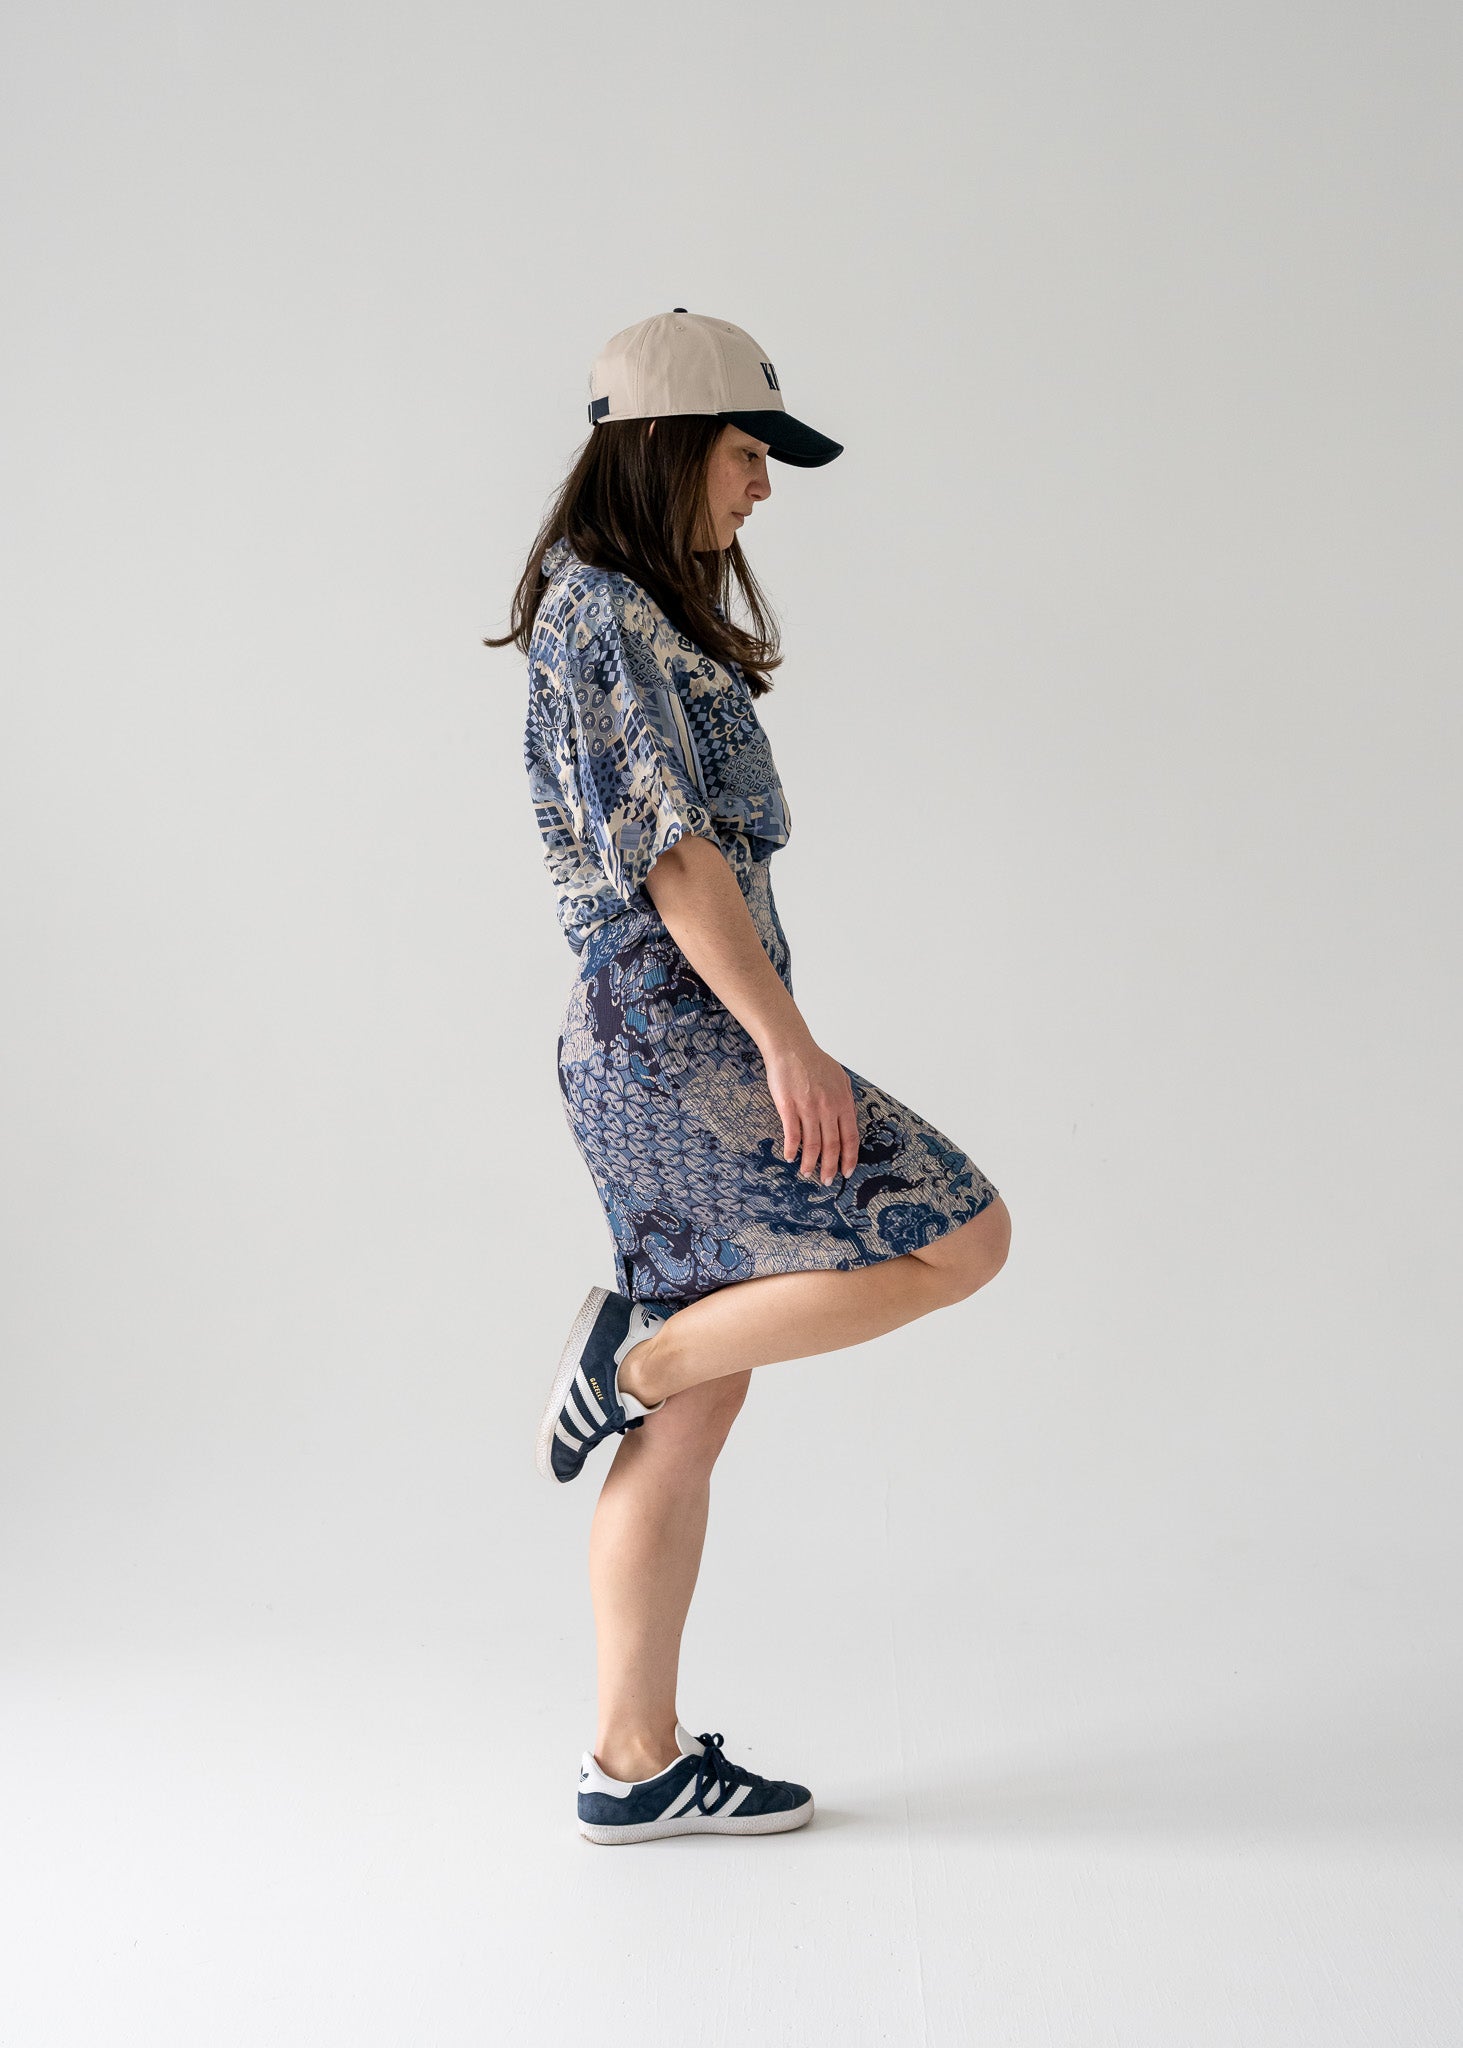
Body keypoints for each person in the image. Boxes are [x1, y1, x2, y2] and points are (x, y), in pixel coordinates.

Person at [484, 309, 1012, 1846]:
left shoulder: (631, 610)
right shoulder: (602, 611)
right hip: (672, 1032)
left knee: (700, 1416)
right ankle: (628, 1361)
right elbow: (673, 859)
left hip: (664, 1031)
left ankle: (632, 1763)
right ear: (663, 449)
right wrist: (786, 1042)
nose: (764, 486)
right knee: (963, 1236)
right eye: (743, 452)